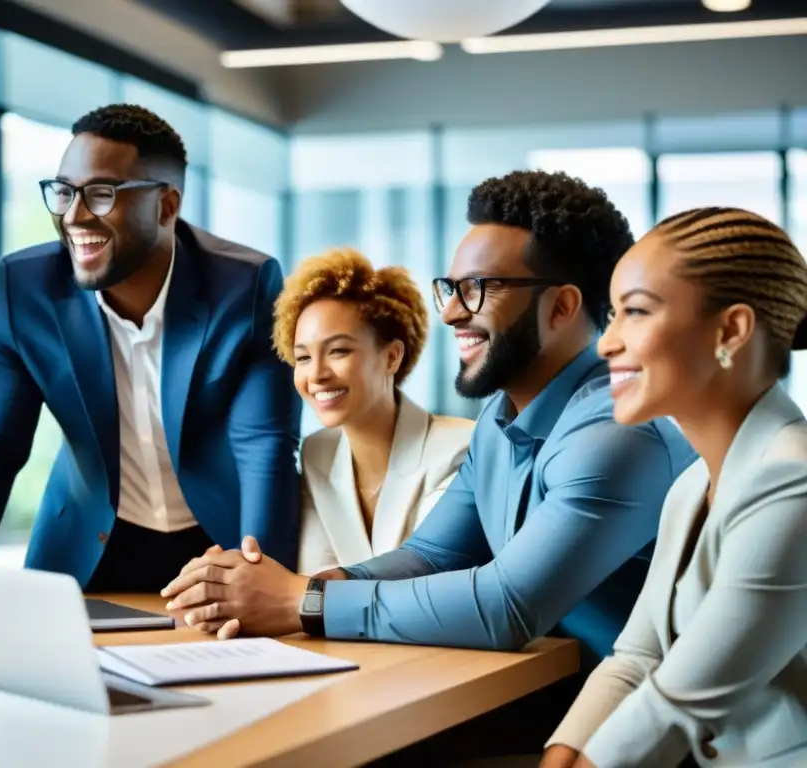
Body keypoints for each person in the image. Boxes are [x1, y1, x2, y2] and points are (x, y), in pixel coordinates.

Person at [161, 170, 698, 757]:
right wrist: (259, 587)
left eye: (479, 290)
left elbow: (505, 606)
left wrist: (299, 601)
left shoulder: (615, 434)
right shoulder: (500, 419)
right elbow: (433, 555)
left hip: (659, 735)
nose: (450, 316)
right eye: (451, 289)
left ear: (561, 306)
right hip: (563, 707)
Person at [0, 103, 302, 638]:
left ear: (166, 205)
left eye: (103, 193)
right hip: (87, 549)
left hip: (215, 550)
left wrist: (261, 580)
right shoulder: (28, 289)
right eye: (64, 191)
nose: (74, 215)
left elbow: (265, 444)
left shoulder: (245, 287)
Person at [542, 208, 807, 768]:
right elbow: (637, 658)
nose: (605, 344)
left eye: (635, 312)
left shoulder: (794, 482)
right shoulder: (691, 485)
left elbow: (677, 705)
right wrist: (559, 759)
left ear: (730, 330)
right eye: (612, 315)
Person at [273, 247, 472, 574]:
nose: (317, 374)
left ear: (392, 357)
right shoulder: (317, 452)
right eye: (304, 358)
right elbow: (311, 582)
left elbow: (425, 580)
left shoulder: (457, 448)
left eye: (338, 350)